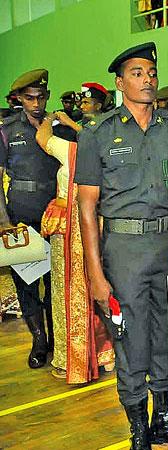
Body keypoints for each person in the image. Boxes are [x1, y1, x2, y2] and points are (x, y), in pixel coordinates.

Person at [74, 42, 168, 450]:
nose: (147, 80)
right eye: (138, 73)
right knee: (130, 340)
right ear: (120, 81)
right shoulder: (97, 134)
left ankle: (164, 419)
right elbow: (87, 209)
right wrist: (95, 272)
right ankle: (138, 429)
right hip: (123, 251)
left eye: (151, 72)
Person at [0, 69, 74, 369]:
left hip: (54, 214)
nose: (36, 103)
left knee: (55, 280)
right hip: (21, 214)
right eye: (29, 98)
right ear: (19, 99)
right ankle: (39, 341)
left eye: (41, 96)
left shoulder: (61, 129)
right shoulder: (7, 130)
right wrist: (4, 220)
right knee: (26, 281)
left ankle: (57, 340)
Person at [35, 110, 115, 382]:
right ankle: (105, 356)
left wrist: (50, 120)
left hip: (72, 231)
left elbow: (42, 137)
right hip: (101, 228)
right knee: (100, 291)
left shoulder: (70, 151)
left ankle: (72, 361)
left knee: (67, 295)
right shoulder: (108, 155)